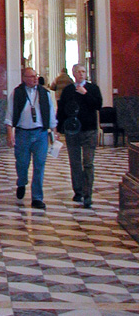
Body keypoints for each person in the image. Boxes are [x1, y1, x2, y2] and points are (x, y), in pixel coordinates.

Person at [5, 67, 58, 210]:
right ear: (24, 78)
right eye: (31, 76)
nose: (35, 79)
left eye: (36, 76)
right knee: (22, 163)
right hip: (23, 133)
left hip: (41, 133)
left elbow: (51, 114)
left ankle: (37, 198)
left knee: (39, 165)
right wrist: (10, 134)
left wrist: (54, 132)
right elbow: (9, 115)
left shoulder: (45, 93)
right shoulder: (17, 93)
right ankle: (22, 182)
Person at [57, 63, 102, 208]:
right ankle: (78, 190)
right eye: (78, 72)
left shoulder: (93, 88)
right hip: (72, 131)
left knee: (88, 162)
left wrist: (85, 94)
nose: (81, 74)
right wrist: (58, 129)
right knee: (75, 162)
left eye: (83, 71)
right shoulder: (68, 90)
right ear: (74, 74)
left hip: (89, 130)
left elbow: (98, 105)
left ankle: (88, 194)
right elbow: (62, 110)